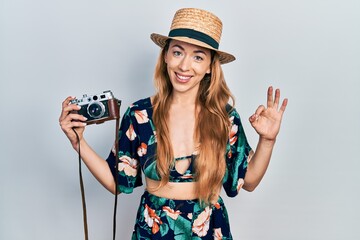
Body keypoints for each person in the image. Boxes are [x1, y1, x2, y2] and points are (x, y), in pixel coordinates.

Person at [59, 8, 288, 240]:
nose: (184, 66)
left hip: (209, 230)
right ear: (166, 55)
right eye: (178, 52)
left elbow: (248, 181)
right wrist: (79, 144)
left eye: (198, 57)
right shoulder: (140, 115)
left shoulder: (224, 117)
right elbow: (116, 182)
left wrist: (267, 140)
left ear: (210, 66)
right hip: (154, 229)